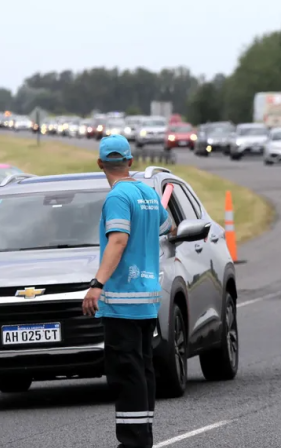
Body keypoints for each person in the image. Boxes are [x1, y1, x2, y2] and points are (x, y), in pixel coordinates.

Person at [82, 135, 172, 448]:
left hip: (122, 300)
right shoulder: (145, 192)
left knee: (126, 372)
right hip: (146, 298)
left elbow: (118, 240)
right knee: (142, 369)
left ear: (100, 164)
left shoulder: (118, 197)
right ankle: (142, 436)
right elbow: (167, 225)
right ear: (130, 162)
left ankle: (133, 442)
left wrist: (97, 284)